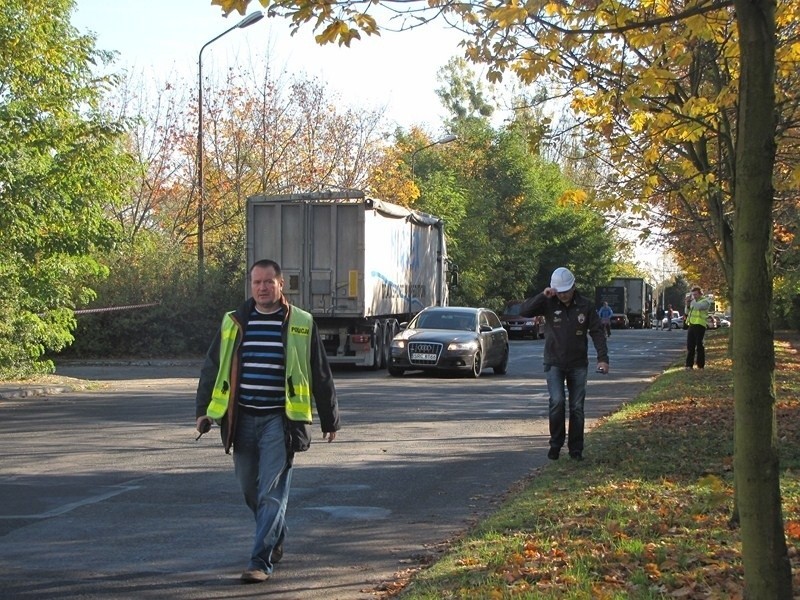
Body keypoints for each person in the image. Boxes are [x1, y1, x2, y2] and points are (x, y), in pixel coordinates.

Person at [195, 258, 340, 584]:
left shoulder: (301, 322)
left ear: (280, 285)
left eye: (268, 282)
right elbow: (211, 368)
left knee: (271, 493)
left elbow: (319, 372)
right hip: (242, 418)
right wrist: (202, 410)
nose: (262, 288)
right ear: (251, 285)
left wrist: (330, 418)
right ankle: (276, 534)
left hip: (280, 420)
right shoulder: (233, 321)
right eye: (256, 282)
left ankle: (259, 561)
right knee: (250, 490)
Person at [520, 267, 609, 461]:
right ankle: (555, 444)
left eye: (566, 292)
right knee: (557, 401)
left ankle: (576, 449)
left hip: (578, 363)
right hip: (554, 362)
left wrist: (602, 358)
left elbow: (597, 332)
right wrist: (543, 296)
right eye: (559, 293)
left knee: (576, 406)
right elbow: (524, 310)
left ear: (573, 287)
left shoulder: (585, 305)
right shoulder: (549, 302)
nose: (563, 296)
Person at [684, 285, 711, 370]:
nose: (694, 296)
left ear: (700, 294)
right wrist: (687, 305)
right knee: (690, 346)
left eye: (695, 294)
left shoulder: (705, 301)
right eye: (693, 294)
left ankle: (700, 365)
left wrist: (691, 301)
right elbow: (687, 312)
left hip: (700, 325)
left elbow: (698, 307)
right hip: (691, 324)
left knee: (699, 345)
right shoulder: (693, 302)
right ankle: (689, 365)